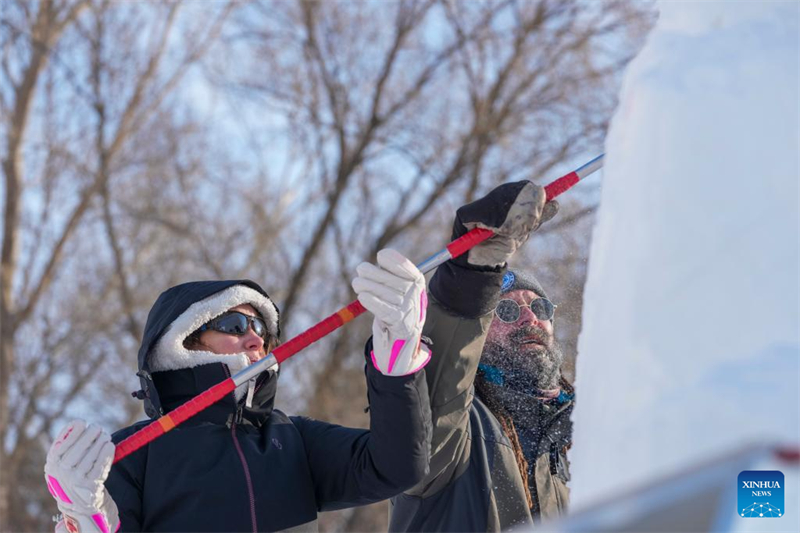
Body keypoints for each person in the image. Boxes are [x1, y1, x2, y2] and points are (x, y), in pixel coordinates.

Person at [44, 250, 433, 532]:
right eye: (234, 325)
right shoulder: (133, 454)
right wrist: (83, 519)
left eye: (261, 329)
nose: (255, 340)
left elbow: (396, 467)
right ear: (184, 342)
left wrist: (397, 361)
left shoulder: (291, 438)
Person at [388, 180, 573, 531]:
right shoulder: (458, 423)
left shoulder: (582, 434)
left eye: (540, 307)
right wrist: (475, 272)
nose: (530, 318)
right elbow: (445, 376)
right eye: (506, 311)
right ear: (481, 336)